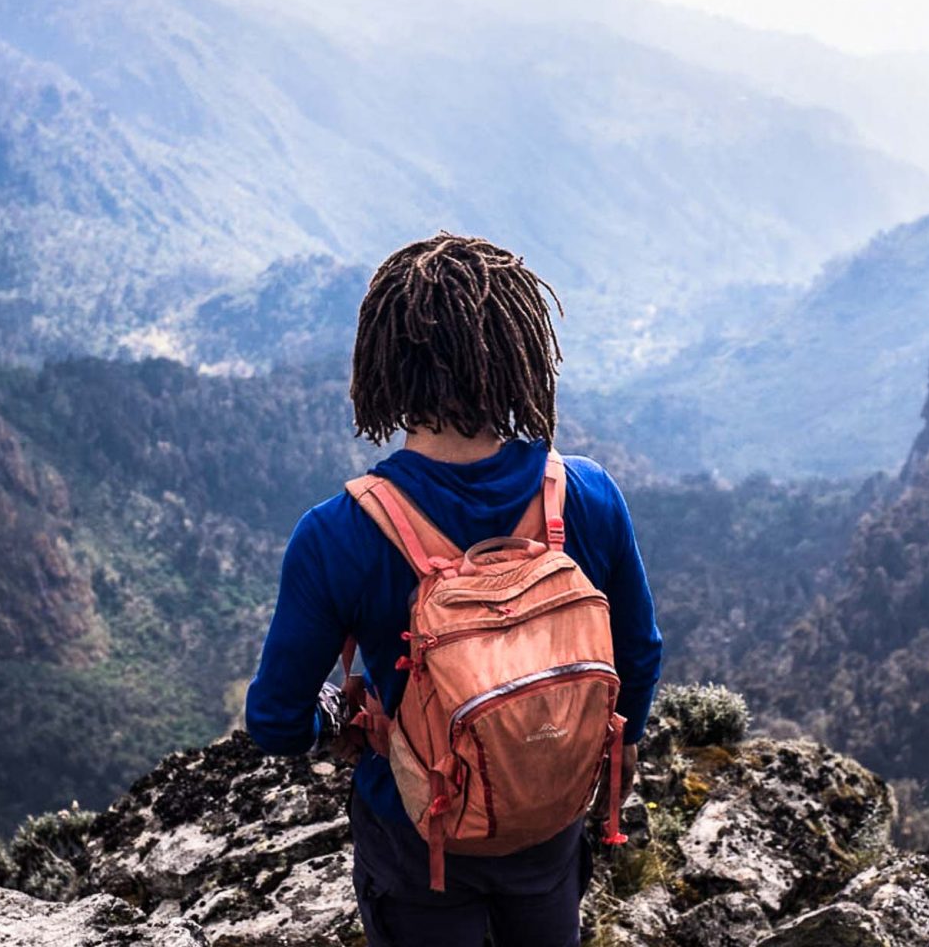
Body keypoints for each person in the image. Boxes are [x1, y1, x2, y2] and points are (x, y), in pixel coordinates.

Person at [244, 232, 664, 947]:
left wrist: (342, 724)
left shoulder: (338, 535)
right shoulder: (588, 495)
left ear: (382, 368)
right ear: (517, 357)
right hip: (549, 829)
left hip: (419, 846)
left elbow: (275, 723)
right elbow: (639, 660)